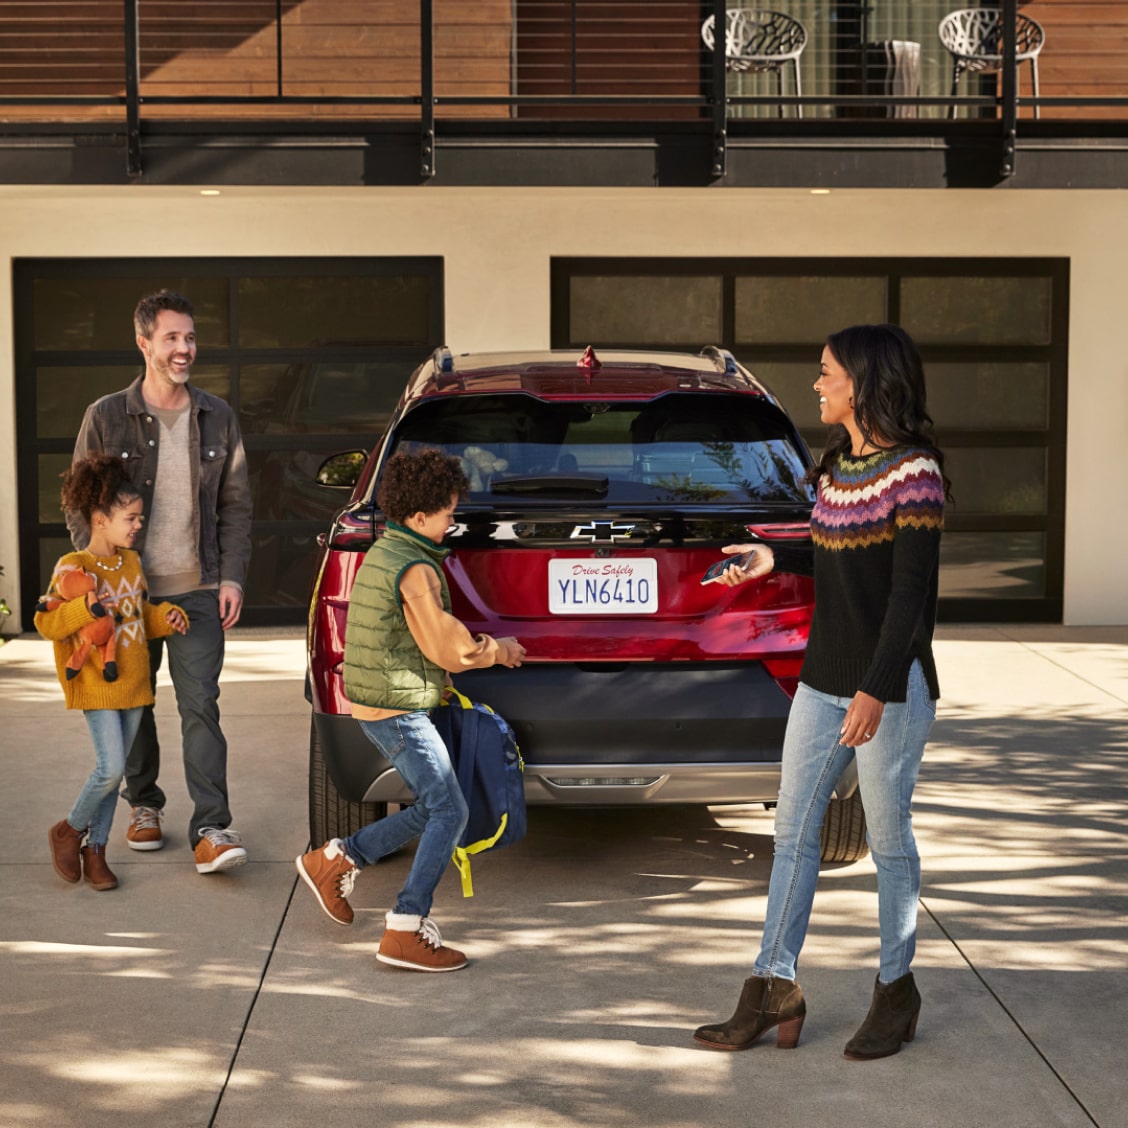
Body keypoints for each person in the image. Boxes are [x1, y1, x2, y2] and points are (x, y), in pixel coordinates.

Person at [693, 323, 948, 1061]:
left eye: (827, 372)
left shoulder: (915, 474)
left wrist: (876, 690)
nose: (817, 383)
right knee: (793, 835)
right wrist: (768, 555)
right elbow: (829, 545)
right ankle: (774, 986)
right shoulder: (836, 471)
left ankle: (896, 991)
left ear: (865, 383)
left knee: (889, 839)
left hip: (889, 688)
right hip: (822, 683)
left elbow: (908, 594)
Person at [296, 448, 526, 972]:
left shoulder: (387, 550)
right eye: (448, 512)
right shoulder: (416, 570)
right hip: (396, 709)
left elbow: (410, 639)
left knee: (432, 804)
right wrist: (499, 649)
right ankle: (404, 926)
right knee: (450, 809)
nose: (453, 520)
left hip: (382, 701)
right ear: (420, 517)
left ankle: (334, 859)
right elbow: (449, 646)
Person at [67, 290, 253, 874]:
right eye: (172, 338)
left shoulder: (217, 415)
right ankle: (143, 805)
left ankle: (212, 827)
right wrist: (95, 575)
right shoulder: (105, 415)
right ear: (144, 343)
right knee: (135, 703)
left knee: (202, 705)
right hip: (127, 594)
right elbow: (78, 503)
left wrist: (232, 578)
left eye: (190, 338)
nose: (184, 348)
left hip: (197, 587)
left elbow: (237, 506)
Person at [39, 454, 189, 891]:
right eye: (130, 517)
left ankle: (96, 851)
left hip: (134, 683)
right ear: (100, 519)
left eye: (140, 517)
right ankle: (68, 830)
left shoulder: (131, 564)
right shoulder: (73, 566)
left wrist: (168, 617)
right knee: (108, 770)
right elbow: (47, 622)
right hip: (96, 684)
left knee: (118, 771)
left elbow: (138, 615)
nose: (138, 524)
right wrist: (81, 609)